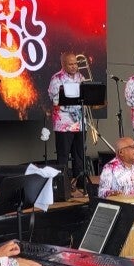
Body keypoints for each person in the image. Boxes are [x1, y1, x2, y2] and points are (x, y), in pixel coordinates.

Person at [48, 51, 87, 197]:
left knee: (79, 155)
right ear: (63, 64)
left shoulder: (80, 77)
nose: (74, 66)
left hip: (80, 123)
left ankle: (81, 182)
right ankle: (63, 186)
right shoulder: (56, 79)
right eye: (70, 64)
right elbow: (56, 101)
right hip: (64, 124)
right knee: (63, 156)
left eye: (75, 63)